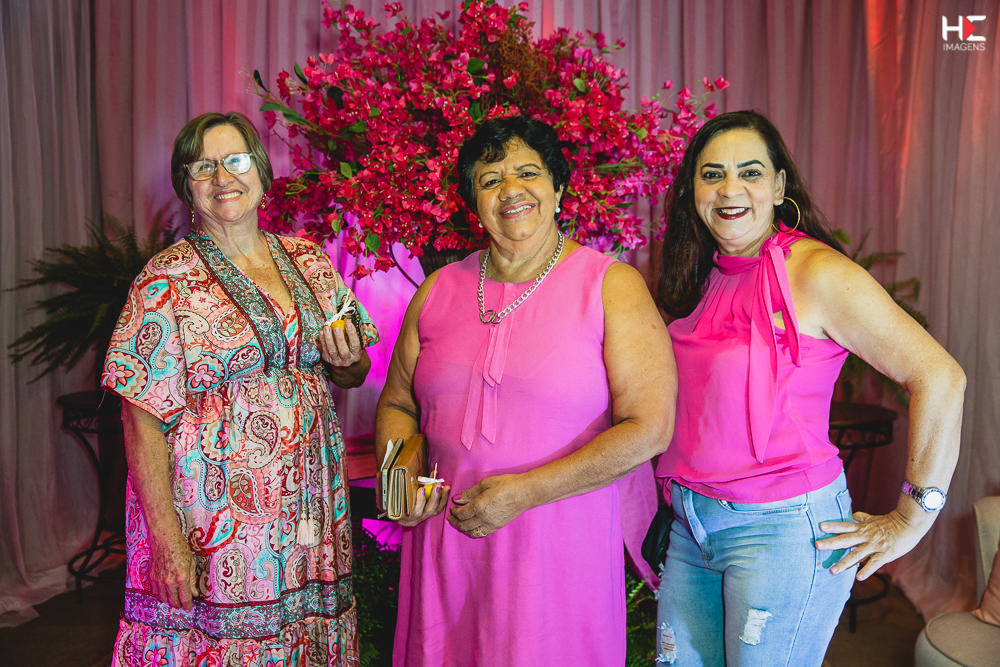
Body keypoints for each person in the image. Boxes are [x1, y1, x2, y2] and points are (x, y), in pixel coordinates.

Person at [653, 109, 966, 666]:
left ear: (779, 187)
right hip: (691, 527)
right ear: (692, 191)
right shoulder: (705, 273)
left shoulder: (817, 272)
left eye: (750, 172)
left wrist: (912, 517)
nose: (729, 189)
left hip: (781, 532)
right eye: (712, 174)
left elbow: (940, 376)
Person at [374, 116, 677, 666]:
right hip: (446, 546)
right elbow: (398, 403)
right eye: (490, 180)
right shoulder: (438, 289)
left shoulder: (610, 285)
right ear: (473, 202)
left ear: (558, 187)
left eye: (528, 173)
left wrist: (526, 492)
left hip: (557, 545)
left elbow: (650, 428)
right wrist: (401, 481)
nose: (510, 190)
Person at [101, 111, 379, 666]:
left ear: (261, 172)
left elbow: (355, 371)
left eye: (235, 160)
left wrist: (348, 360)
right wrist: (167, 542)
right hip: (213, 520)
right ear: (186, 185)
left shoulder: (309, 259)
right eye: (203, 167)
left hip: (310, 509)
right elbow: (139, 417)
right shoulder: (164, 280)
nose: (222, 177)